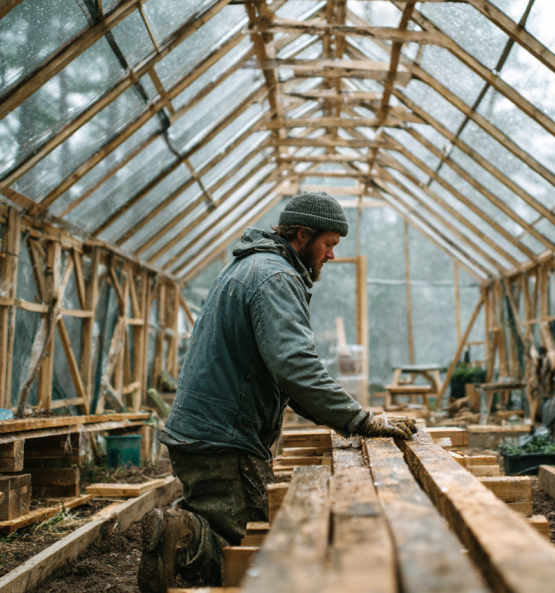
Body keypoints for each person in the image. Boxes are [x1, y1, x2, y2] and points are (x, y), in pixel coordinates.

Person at [138, 191, 418, 593]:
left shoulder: (249, 266)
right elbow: (296, 366)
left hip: (203, 432)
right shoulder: (277, 277)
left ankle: (186, 529)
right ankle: (182, 534)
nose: (332, 256)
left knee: (228, 521)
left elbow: (287, 376)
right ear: (303, 235)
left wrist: (351, 419)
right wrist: (362, 420)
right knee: (253, 549)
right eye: (329, 245)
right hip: (225, 438)